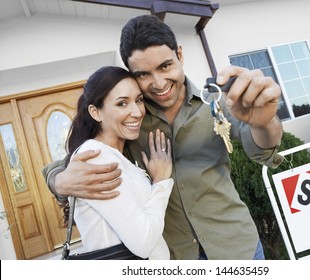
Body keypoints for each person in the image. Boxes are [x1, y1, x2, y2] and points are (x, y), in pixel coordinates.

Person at [43, 15, 284, 260]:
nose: (158, 83)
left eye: (165, 66)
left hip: (237, 247)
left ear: (179, 54)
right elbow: (74, 161)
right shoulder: (130, 120)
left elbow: (262, 150)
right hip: (177, 258)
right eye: (144, 74)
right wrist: (59, 182)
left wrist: (265, 122)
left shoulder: (217, 104)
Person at [62, 66, 173, 260]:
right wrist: (162, 182)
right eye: (122, 103)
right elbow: (144, 243)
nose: (138, 112)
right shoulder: (95, 157)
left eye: (138, 100)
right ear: (96, 113)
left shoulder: (115, 154)